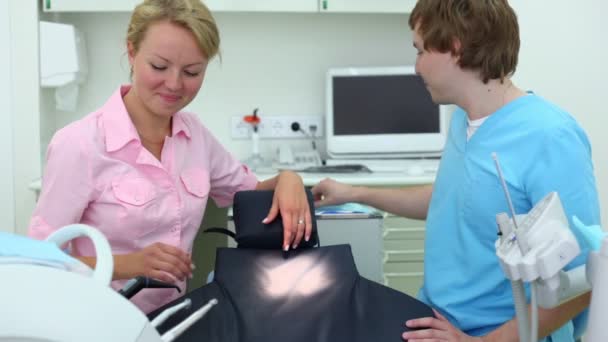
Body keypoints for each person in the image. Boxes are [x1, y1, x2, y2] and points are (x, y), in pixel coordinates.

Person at [312, 0, 600, 341]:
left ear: (455, 48)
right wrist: (355, 193)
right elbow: (450, 199)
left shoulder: (549, 136)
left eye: (420, 51)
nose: (416, 67)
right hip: (435, 320)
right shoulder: (464, 118)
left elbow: (585, 279)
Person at [28, 0, 313, 314]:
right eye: (159, 67)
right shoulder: (79, 144)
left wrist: (289, 178)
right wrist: (127, 265)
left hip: (173, 318)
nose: (175, 84)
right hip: (99, 321)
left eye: (192, 71)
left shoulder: (195, 136)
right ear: (132, 52)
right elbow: (39, 260)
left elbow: (246, 191)